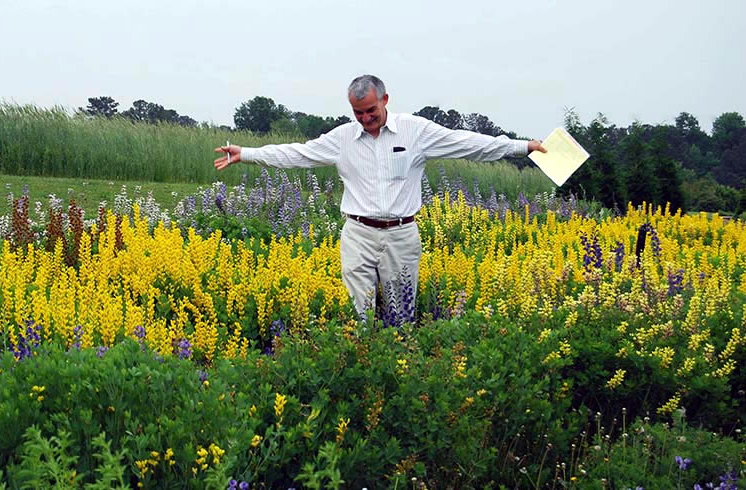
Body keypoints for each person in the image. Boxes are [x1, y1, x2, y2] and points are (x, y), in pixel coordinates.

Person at [214, 74, 546, 321]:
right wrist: (245, 153)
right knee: (357, 311)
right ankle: (360, 374)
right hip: (358, 233)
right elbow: (297, 154)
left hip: (402, 234)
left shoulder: (416, 131)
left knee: (401, 313)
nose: (365, 118)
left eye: (370, 110)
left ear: (385, 99)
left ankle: (396, 377)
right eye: (358, 113)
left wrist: (521, 147)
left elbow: (469, 144)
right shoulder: (342, 138)